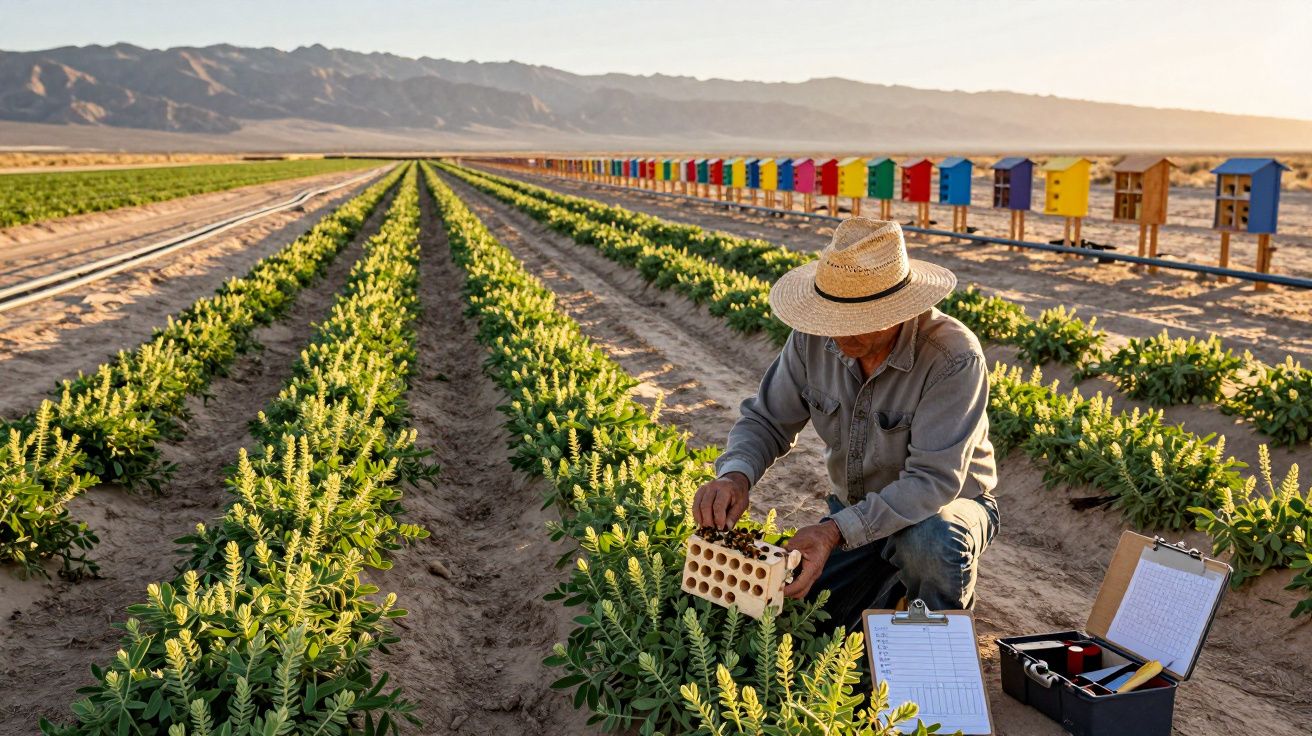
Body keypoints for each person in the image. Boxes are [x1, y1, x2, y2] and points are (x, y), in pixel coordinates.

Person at [692, 217, 999, 633]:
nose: (835, 332)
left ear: (899, 309)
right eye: (829, 317)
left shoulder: (952, 358)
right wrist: (735, 477)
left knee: (931, 542)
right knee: (803, 622)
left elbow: (932, 482)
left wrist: (832, 533)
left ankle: (934, 650)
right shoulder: (812, 338)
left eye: (853, 318)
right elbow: (767, 419)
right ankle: (889, 586)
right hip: (854, 512)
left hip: (942, 508)